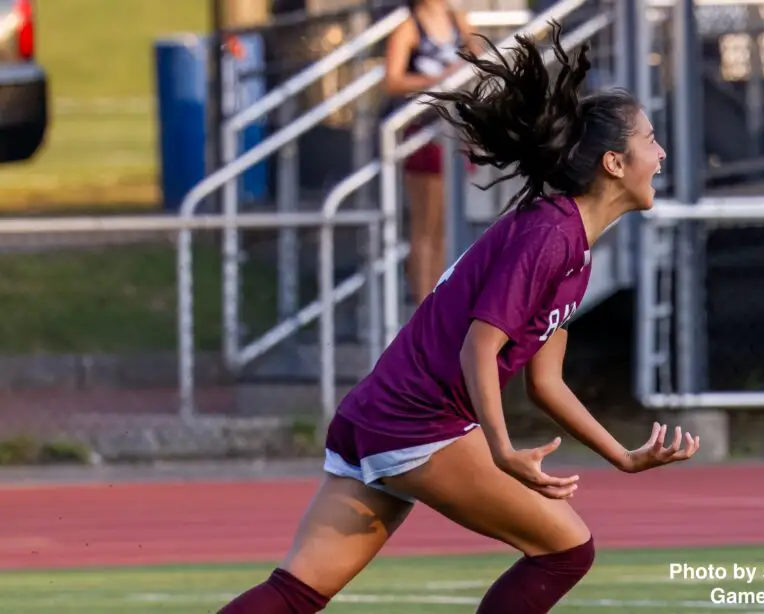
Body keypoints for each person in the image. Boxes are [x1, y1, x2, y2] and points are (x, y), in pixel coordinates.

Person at [217, 21, 698, 614]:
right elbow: (479, 347)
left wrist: (621, 456)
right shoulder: (551, 234)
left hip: (379, 415)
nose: (662, 153)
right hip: (420, 423)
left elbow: (545, 382)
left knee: (296, 593)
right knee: (565, 551)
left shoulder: (573, 248)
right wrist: (499, 448)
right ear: (614, 163)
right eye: (651, 140)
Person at [383, 0, 482, 305]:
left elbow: (480, 59)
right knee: (425, 224)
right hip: (423, 133)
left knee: (443, 227)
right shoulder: (409, 27)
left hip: (453, 130)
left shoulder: (459, 21)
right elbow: (393, 80)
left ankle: (437, 300)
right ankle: (423, 303)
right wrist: (440, 80)